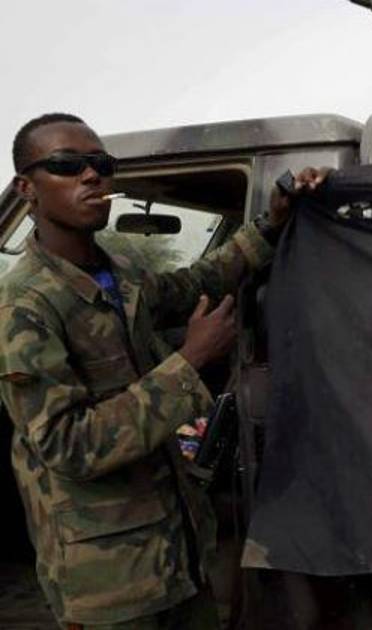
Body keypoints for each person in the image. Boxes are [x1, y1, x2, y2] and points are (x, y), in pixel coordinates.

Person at [0, 113, 323, 629]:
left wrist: (271, 222)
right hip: (110, 582)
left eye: (101, 163)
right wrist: (190, 362)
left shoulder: (119, 273)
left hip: (179, 553)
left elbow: (197, 282)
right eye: (67, 165)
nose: (92, 175)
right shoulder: (24, 306)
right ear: (27, 188)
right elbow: (68, 446)